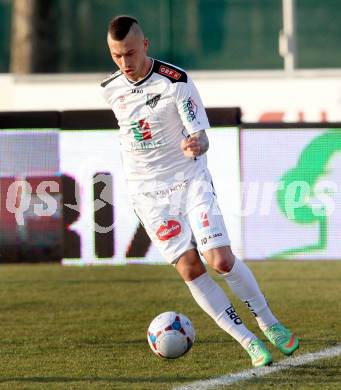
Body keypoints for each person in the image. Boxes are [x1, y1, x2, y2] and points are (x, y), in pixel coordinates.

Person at [101, 15, 299, 367]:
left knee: (220, 261)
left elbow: (201, 134)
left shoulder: (177, 82)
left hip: (189, 182)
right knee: (191, 269)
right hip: (148, 195)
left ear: (145, 45)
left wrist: (198, 143)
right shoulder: (111, 88)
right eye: (117, 56)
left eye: (130, 53)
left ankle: (269, 322)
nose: (125, 63)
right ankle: (249, 342)